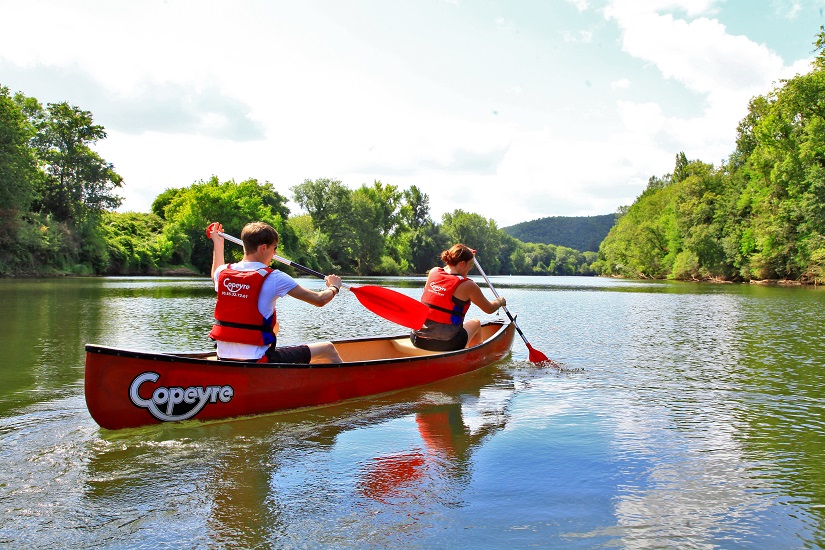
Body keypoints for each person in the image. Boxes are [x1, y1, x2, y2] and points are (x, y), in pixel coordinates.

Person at [208, 221, 343, 364]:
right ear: (263, 248)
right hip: (258, 359)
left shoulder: (222, 272)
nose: (275, 253)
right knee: (328, 349)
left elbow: (215, 272)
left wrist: (218, 243)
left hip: (223, 357)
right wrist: (334, 287)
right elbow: (319, 299)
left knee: (275, 325)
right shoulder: (274, 278)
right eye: (274, 248)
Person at [410, 243, 506, 352]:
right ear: (462, 264)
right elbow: (489, 309)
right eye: (470, 264)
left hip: (417, 338)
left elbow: (451, 273)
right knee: (476, 323)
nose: (471, 267)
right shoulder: (468, 285)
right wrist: (500, 302)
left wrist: (466, 254)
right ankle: (474, 357)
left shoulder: (433, 272)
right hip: (446, 342)